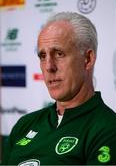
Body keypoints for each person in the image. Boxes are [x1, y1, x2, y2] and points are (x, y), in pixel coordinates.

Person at [1, 12, 116, 165]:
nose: (49, 66)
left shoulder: (109, 129)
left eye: (59, 54)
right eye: (42, 56)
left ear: (87, 60)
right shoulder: (25, 124)